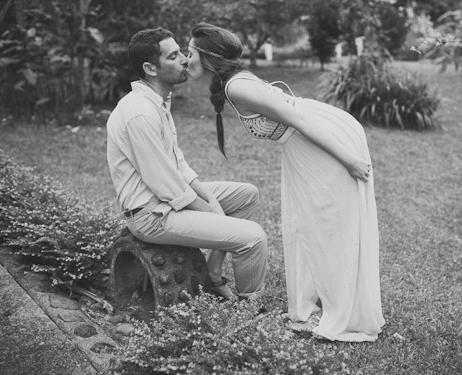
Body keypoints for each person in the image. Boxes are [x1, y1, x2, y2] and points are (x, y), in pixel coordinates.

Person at [186, 22, 384, 342]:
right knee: (307, 226)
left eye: (189, 51)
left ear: (208, 56)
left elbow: (299, 120)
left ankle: (344, 310)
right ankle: (313, 305)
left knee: (325, 226)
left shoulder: (237, 86)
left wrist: (349, 160)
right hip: (300, 143)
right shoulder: (233, 83)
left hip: (314, 137)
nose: (185, 58)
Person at [106, 28, 268, 300]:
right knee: (253, 238)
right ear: (150, 68)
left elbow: (178, 164)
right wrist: (209, 210)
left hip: (167, 199)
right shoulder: (140, 113)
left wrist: (209, 199)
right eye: (173, 56)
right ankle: (250, 309)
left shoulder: (157, 102)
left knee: (246, 196)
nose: (185, 59)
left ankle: (213, 272)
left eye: (182, 51)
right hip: (151, 214)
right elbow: (165, 184)